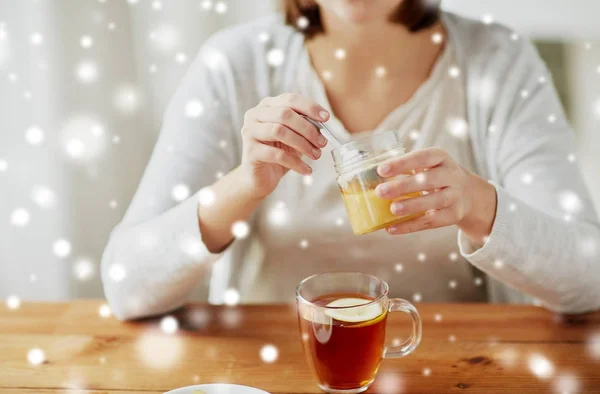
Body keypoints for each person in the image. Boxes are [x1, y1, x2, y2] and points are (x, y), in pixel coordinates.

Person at [101, 0, 600, 320]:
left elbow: (589, 278)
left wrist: (478, 206)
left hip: (454, 368)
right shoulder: (235, 63)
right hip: (281, 368)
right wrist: (243, 185)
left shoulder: (499, 61)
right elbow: (128, 288)